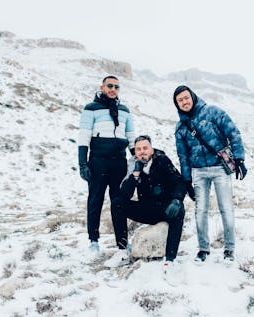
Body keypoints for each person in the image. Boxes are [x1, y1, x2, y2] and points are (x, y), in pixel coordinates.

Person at [173, 85, 247, 263]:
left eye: (186, 97)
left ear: (192, 96)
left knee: (226, 209)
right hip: (198, 172)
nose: (184, 102)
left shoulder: (213, 112)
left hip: (220, 168)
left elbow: (233, 133)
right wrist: (186, 179)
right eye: (180, 100)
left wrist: (239, 159)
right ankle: (203, 249)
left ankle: (229, 249)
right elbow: (183, 156)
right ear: (177, 104)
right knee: (201, 211)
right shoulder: (181, 127)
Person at [106, 135, 186, 269]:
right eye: (138, 149)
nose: (142, 151)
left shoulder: (162, 161)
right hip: (146, 209)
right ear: (135, 152)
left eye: (145, 148)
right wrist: (136, 174)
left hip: (164, 209)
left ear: (152, 150)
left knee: (180, 210)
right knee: (117, 203)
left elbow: (179, 182)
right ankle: (122, 251)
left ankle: (170, 260)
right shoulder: (134, 165)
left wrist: (177, 200)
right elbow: (125, 195)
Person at [78, 75, 135, 256]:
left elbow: (131, 137)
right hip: (98, 161)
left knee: (119, 201)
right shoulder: (91, 108)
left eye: (116, 87)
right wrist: (82, 163)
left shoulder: (125, 111)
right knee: (95, 200)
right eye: (109, 86)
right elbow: (84, 136)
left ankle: (122, 243)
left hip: (119, 162)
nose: (113, 89)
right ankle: (93, 242)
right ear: (102, 87)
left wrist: (139, 160)